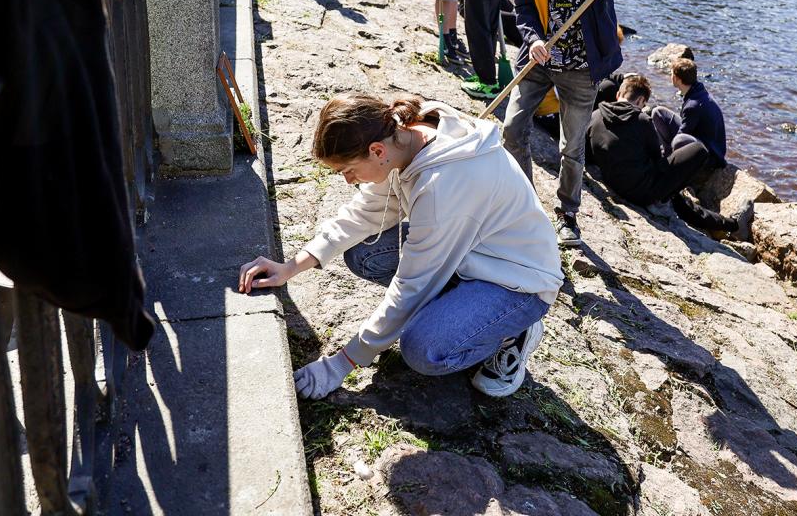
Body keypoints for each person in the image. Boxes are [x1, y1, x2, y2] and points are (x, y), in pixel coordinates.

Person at [237, 93, 562, 400]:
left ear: (376, 151)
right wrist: (291, 267)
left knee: (422, 349)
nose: (349, 181)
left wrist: (342, 363)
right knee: (365, 253)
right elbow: (364, 213)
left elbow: (412, 286)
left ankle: (512, 330)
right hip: (470, 253)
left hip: (518, 281)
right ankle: (462, 310)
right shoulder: (406, 137)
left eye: (348, 170)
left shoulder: (441, 188)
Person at [501, 0, 645, 247]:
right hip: (540, 56)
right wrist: (531, 39)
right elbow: (523, 5)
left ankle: (567, 215)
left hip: (582, 64)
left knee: (572, 146)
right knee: (512, 129)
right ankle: (523, 204)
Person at [586, 75, 738, 233]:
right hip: (642, 193)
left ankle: (728, 223)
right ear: (640, 101)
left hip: (612, 180)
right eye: (643, 105)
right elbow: (657, 159)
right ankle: (731, 224)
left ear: (618, 94)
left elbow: (588, 152)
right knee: (699, 150)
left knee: (682, 203)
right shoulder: (642, 120)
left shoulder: (595, 115)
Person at [651, 58, 727, 163]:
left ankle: (668, 161)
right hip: (702, 138)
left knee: (678, 141)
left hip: (709, 153)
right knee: (658, 112)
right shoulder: (698, 90)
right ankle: (667, 154)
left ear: (677, 79)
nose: (670, 76)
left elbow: (683, 133)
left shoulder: (693, 105)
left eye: (671, 74)